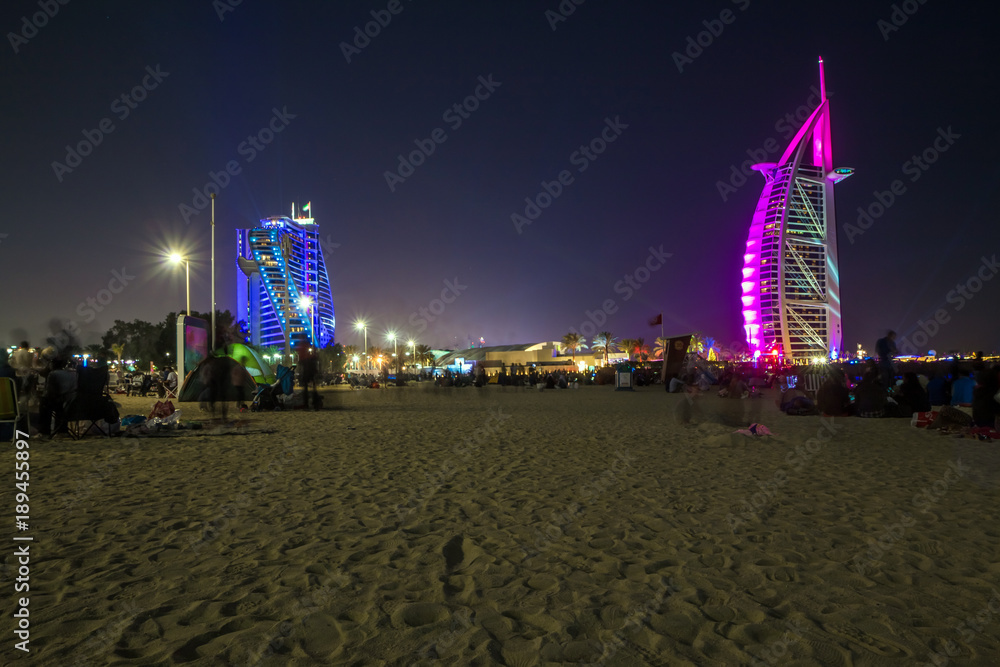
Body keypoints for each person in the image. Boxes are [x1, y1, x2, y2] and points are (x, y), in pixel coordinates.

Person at [37, 357, 77, 436]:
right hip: (73, 401)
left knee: (45, 403)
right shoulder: (73, 373)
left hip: (62, 400)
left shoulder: (53, 374)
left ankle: (44, 431)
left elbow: (50, 392)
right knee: (58, 406)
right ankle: (62, 430)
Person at [298, 341, 320, 410]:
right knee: (313, 388)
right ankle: (315, 403)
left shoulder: (304, 358)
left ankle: (307, 404)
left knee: (306, 389)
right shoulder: (312, 357)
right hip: (312, 372)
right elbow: (316, 361)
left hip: (307, 373)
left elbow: (300, 365)